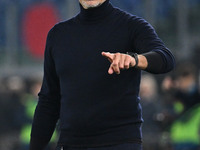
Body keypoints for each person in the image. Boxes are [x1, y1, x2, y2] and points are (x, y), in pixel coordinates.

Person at [29, 0, 175, 150]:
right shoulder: (58, 35)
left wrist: (135, 59)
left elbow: (165, 59)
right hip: (70, 143)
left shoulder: (131, 25)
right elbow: (49, 100)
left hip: (120, 143)